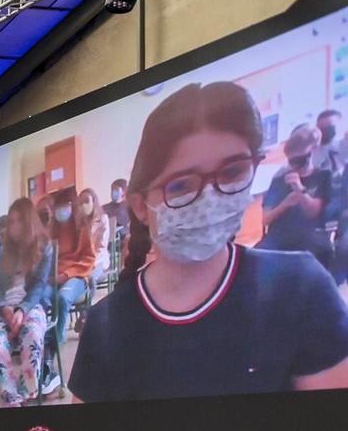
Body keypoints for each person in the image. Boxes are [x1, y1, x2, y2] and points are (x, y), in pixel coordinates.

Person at [72, 82, 348, 401]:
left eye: (231, 172)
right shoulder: (107, 324)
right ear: (139, 206)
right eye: (180, 186)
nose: (210, 198)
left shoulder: (300, 287)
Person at [0, 196, 54, 405]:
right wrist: (3, 309)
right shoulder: (3, 250)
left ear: (28, 222)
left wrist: (22, 311)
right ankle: (12, 402)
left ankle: (28, 396)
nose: (11, 226)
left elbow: (40, 286)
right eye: (10, 221)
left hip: (31, 306)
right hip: (3, 310)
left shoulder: (44, 247)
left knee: (32, 335)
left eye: (17, 221)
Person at [260, 124, 333, 265]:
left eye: (299, 161)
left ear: (313, 152)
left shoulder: (323, 176)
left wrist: (300, 190)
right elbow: (265, 220)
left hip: (310, 238)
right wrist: (285, 203)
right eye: (291, 162)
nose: (294, 166)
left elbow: (314, 213)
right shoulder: (279, 179)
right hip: (279, 238)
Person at [49, 188, 101, 356]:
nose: (60, 210)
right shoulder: (52, 230)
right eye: (58, 207)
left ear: (72, 206)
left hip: (76, 275)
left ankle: (58, 339)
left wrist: (65, 275)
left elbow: (89, 258)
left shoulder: (82, 228)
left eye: (64, 206)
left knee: (63, 298)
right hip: (53, 276)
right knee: (40, 297)